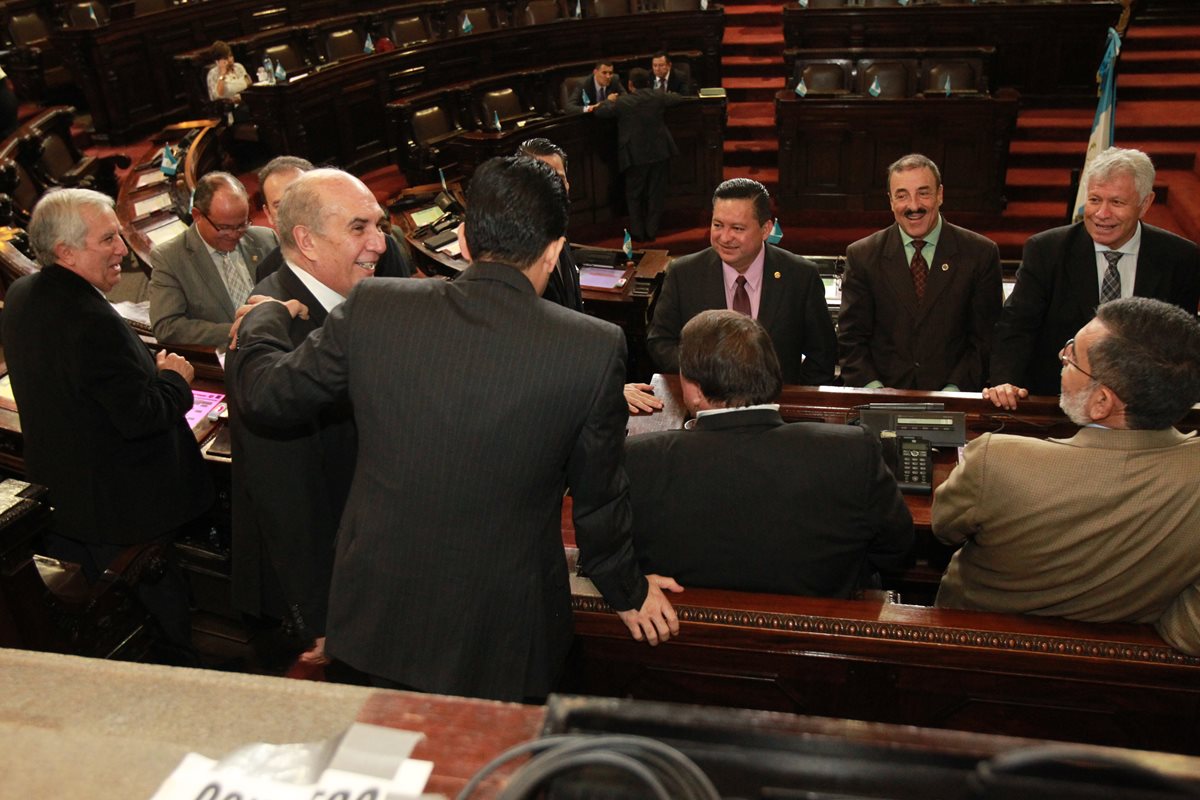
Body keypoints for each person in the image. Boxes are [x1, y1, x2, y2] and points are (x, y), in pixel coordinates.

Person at [229, 156, 680, 701]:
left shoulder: (375, 306)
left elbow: (266, 395)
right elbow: (599, 497)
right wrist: (627, 589)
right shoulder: (594, 345)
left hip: (375, 617)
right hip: (502, 632)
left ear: (464, 240)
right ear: (557, 249)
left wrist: (262, 317)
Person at [1, 188, 214, 659]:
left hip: (71, 501)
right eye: (108, 240)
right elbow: (139, 416)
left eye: (119, 235)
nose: (122, 249)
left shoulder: (22, 294)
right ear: (66, 251)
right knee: (161, 622)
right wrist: (174, 380)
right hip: (125, 511)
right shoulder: (90, 320)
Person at [934, 297, 1200, 655]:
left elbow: (944, 527)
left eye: (1072, 357)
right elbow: (1191, 631)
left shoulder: (996, 458)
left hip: (975, 650)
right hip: (1125, 679)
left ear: (1102, 402)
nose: (1062, 361)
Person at [628, 310, 913, 596]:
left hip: (683, 630)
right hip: (821, 631)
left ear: (696, 391)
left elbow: (609, 551)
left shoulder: (639, 459)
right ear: (771, 372)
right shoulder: (854, 450)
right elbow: (897, 551)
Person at [227, 169, 385, 665]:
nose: (379, 243)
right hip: (323, 597)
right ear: (307, 242)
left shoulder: (360, 299)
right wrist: (317, 618)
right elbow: (284, 491)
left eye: (378, 225)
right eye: (359, 228)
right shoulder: (265, 329)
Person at [987, 147, 1200, 409]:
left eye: (1117, 202)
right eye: (1095, 200)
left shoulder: (1180, 257)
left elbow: (1181, 343)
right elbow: (1016, 326)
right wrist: (1004, 381)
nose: (1101, 214)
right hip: (1056, 403)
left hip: (1143, 408)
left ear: (1145, 203)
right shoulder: (1047, 250)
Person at [517, 137, 663, 416]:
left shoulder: (559, 237)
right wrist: (604, 391)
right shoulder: (520, 256)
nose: (551, 187)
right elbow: (538, 354)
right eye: (540, 177)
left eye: (558, 178)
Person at [647, 178, 837, 386]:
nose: (725, 237)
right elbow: (661, 343)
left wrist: (794, 399)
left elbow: (823, 354)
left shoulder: (800, 276)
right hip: (705, 405)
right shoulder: (683, 273)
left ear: (765, 230)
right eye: (718, 225)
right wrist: (705, 377)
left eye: (737, 228)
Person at [839, 154, 1003, 391]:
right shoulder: (863, 255)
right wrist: (874, 389)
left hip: (955, 400)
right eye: (902, 195)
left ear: (940, 195)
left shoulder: (980, 254)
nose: (913, 206)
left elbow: (984, 339)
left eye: (923, 193)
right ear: (891, 201)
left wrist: (953, 392)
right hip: (880, 400)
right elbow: (851, 338)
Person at [149, 171, 277, 346]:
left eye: (241, 225)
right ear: (197, 216)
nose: (234, 235)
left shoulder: (266, 238)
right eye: (224, 227)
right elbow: (167, 326)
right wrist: (240, 330)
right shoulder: (170, 258)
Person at [253, 156, 414, 282]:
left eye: (300, 201)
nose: (292, 212)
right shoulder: (267, 272)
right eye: (280, 205)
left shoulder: (378, 248)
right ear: (268, 214)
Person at [593, 67, 684, 243]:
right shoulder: (657, 96)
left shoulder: (623, 102)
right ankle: (651, 231)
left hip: (634, 155)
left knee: (634, 195)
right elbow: (677, 98)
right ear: (649, 83)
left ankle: (638, 233)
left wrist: (608, 100)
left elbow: (600, 112)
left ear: (630, 85)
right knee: (655, 193)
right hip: (659, 152)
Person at [206, 41, 251, 121]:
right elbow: (217, 96)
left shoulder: (238, 67)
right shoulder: (212, 74)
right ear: (217, 61)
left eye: (231, 56)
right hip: (232, 109)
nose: (230, 59)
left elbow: (249, 83)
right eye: (226, 58)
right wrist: (222, 74)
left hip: (247, 101)